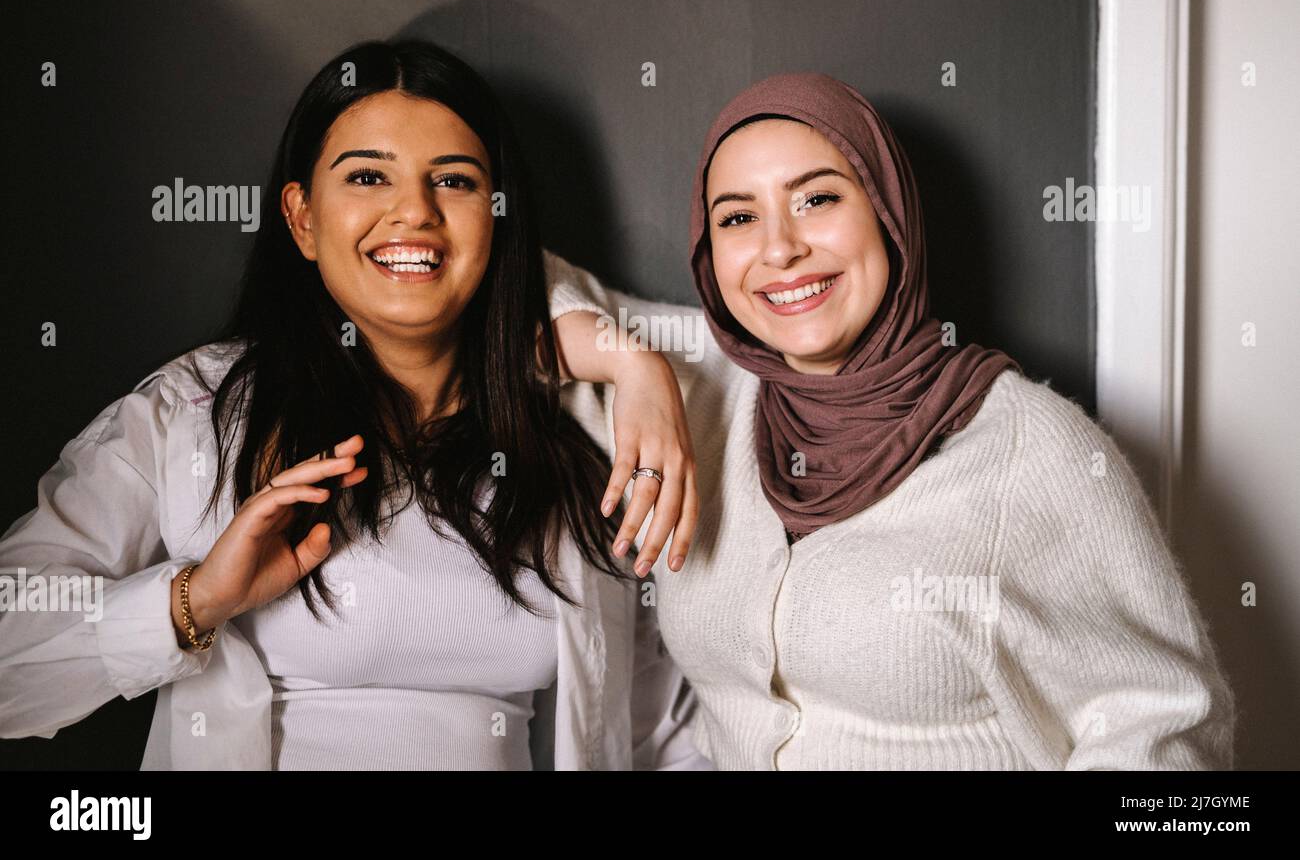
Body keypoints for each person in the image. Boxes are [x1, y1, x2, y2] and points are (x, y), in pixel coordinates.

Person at [0, 38, 709, 771]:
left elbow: (656, 737)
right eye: (368, 176)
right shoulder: (193, 412)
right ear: (302, 219)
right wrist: (195, 602)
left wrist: (636, 361)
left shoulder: (573, 443)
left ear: (497, 220)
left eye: (456, 181)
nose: (414, 212)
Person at [544, 72, 1236, 769]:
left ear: (887, 212)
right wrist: (630, 364)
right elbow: (489, 289)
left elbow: (1166, 736)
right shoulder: (698, 393)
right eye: (737, 217)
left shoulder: (1031, 450)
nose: (779, 247)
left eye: (816, 199)